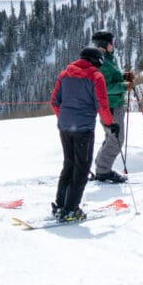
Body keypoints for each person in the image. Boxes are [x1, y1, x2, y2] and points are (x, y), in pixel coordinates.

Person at [50, 47, 115, 222]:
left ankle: (60, 205)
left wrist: (64, 117)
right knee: (82, 168)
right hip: (83, 129)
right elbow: (102, 105)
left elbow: (54, 101)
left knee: (69, 165)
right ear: (96, 60)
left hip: (65, 127)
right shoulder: (96, 77)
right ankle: (71, 209)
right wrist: (110, 124)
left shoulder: (65, 74)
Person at [89, 30, 132, 184]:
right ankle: (103, 170)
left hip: (115, 104)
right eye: (111, 42)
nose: (113, 44)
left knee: (111, 137)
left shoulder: (107, 59)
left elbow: (112, 77)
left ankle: (101, 166)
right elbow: (104, 88)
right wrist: (123, 85)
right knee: (117, 138)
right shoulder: (101, 62)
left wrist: (123, 76)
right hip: (111, 105)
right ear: (104, 44)